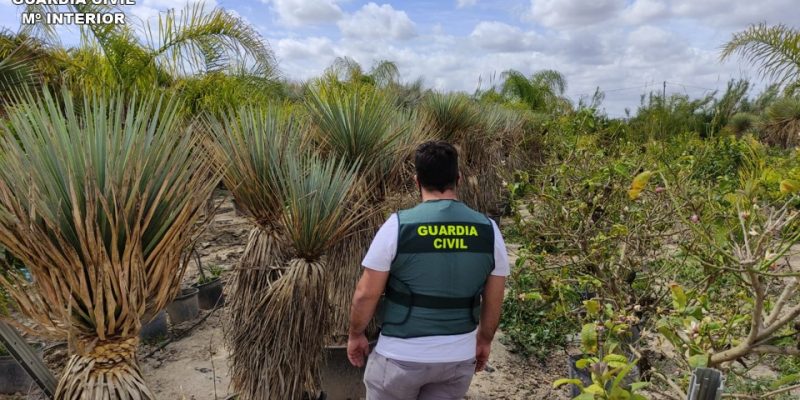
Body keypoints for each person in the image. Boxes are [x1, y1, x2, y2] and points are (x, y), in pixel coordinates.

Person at [347, 140, 509, 400]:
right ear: (458, 179)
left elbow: (366, 294)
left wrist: (356, 334)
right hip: (457, 358)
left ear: (417, 181)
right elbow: (494, 299)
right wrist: (484, 340)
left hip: (400, 356)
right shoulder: (489, 231)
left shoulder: (398, 227)